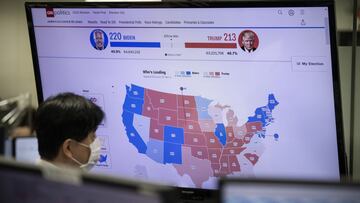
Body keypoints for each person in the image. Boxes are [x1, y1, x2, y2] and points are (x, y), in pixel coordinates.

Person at [34, 92, 104, 171]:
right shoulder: (61, 182)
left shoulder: (28, 176)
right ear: (68, 148)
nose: (96, 141)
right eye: (92, 136)